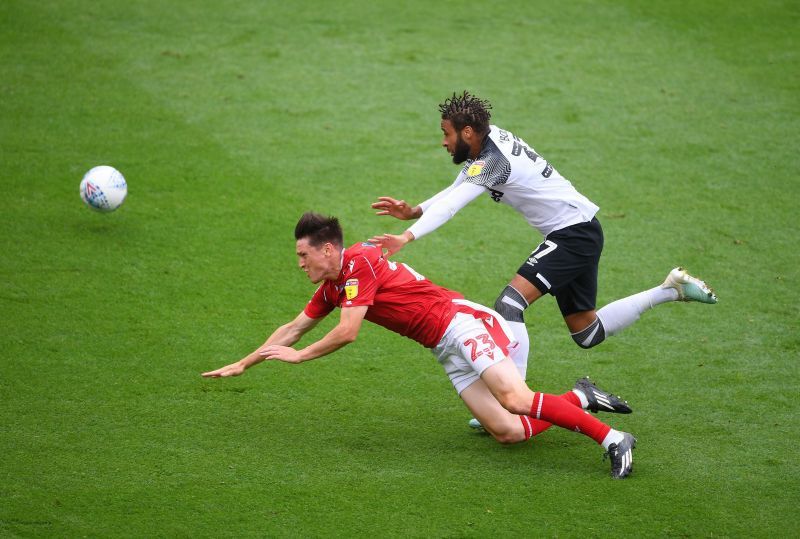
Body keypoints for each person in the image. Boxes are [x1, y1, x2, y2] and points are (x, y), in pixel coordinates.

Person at [202, 212, 637, 479]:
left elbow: (347, 331)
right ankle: (582, 396)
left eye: (303, 256)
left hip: (461, 325)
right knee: (506, 431)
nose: (300, 264)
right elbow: (293, 328)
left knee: (516, 399)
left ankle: (614, 439)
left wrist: (300, 357)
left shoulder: (360, 263)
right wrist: (245, 362)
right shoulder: (334, 287)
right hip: (443, 347)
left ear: (328, 249)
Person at [370, 91, 717, 392]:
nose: (444, 142)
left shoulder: (494, 160)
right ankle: (671, 289)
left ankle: (513, 398)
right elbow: (459, 185)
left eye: (446, 134)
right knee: (587, 333)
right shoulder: (490, 144)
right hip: (578, 230)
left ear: (467, 132)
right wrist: (414, 211)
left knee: (510, 303)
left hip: (574, 234)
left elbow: (453, 204)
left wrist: (407, 236)